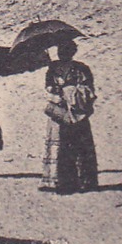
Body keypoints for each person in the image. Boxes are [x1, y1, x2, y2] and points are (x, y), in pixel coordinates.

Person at [41, 40, 99, 195]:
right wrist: (54, 89)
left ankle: (84, 181)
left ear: (72, 52)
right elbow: (47, 88)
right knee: (61, 147)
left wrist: (70, 91)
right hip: (59, 112)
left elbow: (88, 90)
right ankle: (60, 182)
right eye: (61, 50)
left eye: (66, 50)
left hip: (77, 112)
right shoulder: (52, 68)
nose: (63, 53)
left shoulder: (81, 69)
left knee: (79, 147)